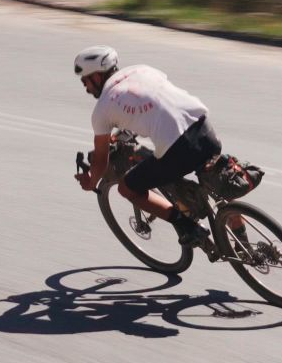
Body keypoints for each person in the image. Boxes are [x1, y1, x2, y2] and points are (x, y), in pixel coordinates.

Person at [72, 45, 222, 247]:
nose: (86, 88)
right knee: (220, 191)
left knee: (127, 188)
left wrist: (91, 182)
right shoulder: (143, 69)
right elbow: (155, 104)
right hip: (205, 128)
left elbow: (100, 160)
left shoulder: (102, 110)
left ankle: (188, 227)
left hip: (179, 150)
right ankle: (242, 240)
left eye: (85, 81)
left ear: (97, 77)